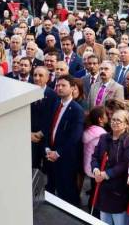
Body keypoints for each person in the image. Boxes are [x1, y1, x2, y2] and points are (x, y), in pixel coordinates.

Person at [43, 75, 85, 206]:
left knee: (68, 193)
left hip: (66, 159)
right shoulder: (56, 104)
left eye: (63, 85)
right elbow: (49, 128)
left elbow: (74, 137)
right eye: (57, 85)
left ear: (72, 88)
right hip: (51, 156)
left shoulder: (77, 110)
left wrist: (58, 153)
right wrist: (47, 149)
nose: (59, 88)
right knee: (51, 187)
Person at [91, 109, 129, 225]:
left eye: (119, 120)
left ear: (126, 124)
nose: (115, 122)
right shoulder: (103, 137)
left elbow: (125, 164)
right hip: (103, 189)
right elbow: (95, 156)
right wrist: (96, 170)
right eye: (113, 119)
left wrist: (106, 174)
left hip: (118, 191)